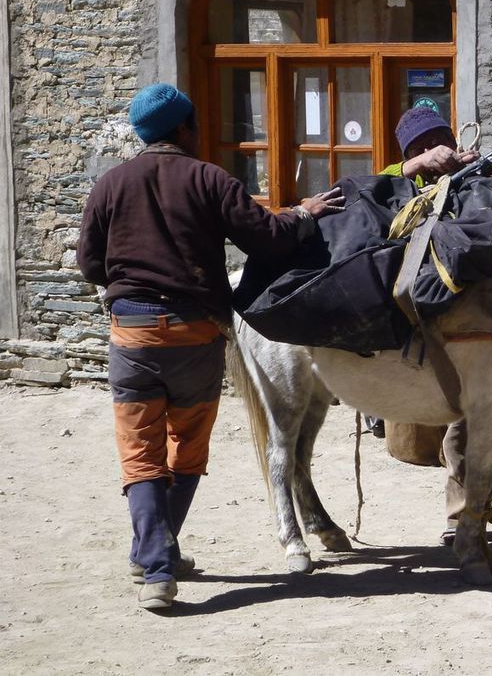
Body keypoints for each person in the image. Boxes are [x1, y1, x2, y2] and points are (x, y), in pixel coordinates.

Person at [77, 83, 344, 611]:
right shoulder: (208, 179)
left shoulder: (111, 184)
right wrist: (306, 212)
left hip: (131, 336)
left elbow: (90, 263)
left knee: (140, 453)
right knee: (187, 449)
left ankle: (154, 558)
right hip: (194, 336)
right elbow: (266, 235)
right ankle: (155, 560)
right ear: (184, 127)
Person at [381, 105, 492, 548]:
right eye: (420, 146)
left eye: (438, 140)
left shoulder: (488, 166)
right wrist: (416, 166)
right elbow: (380, 187)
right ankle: (461, 516)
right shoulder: (406, 180)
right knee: (464, 421)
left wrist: (489, 170)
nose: (432, 149)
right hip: (460, 323)